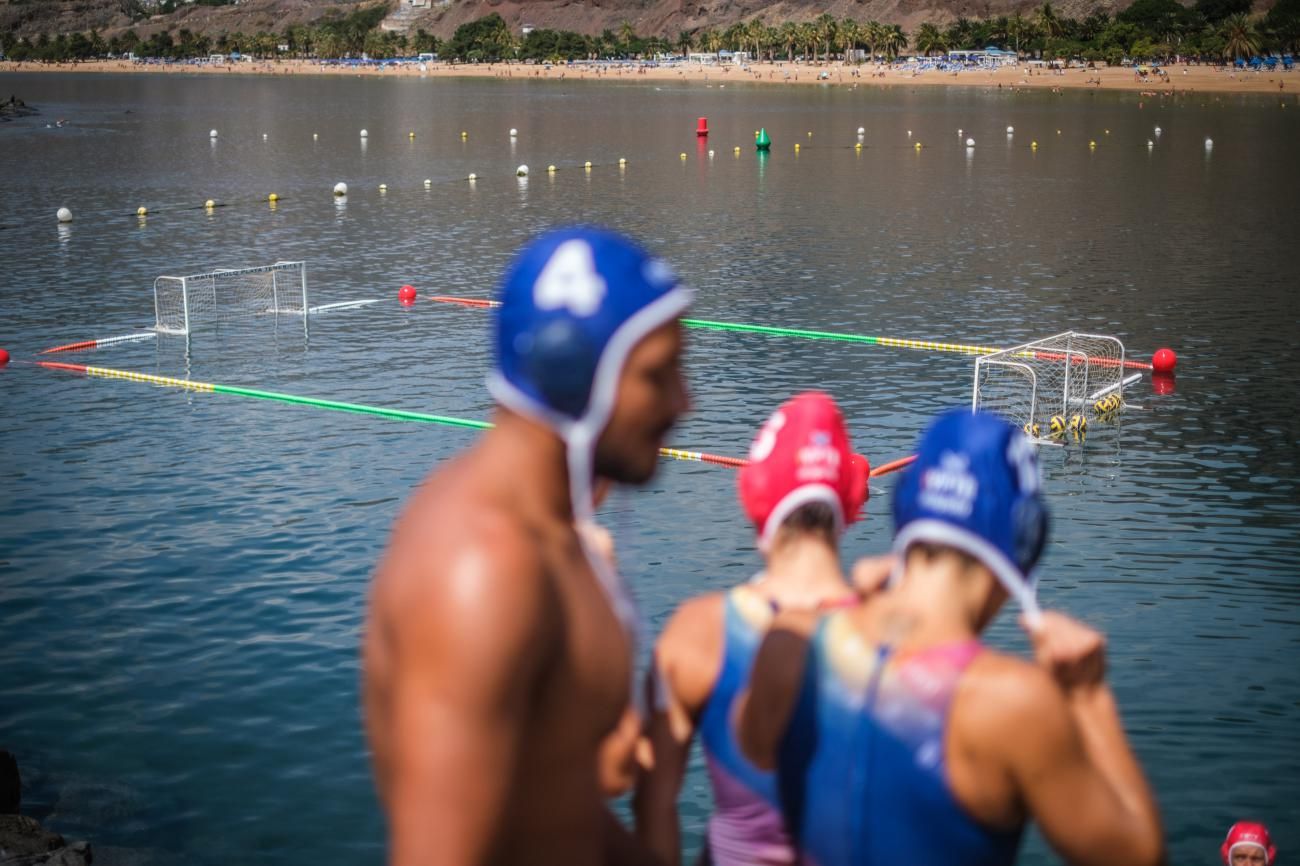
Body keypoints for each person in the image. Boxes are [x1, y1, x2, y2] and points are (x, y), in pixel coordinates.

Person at [364, 227, 691, 866]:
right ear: (572, 376)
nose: (685, 401)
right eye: (659, 375)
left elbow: (557, 809)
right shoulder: (486, 572)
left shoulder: (553, 535)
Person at [738, 409, 1165, 866]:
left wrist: (858, 612)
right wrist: (1087, 694)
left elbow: (754, 748)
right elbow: (1138, 856)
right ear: (1024, 539)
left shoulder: (789, 643)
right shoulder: (1012, 703)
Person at [634, 392, 870, 866]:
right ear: (852, 501)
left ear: (754, 497)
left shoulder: (698, 632)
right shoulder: (893, 635)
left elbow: (652, 803)